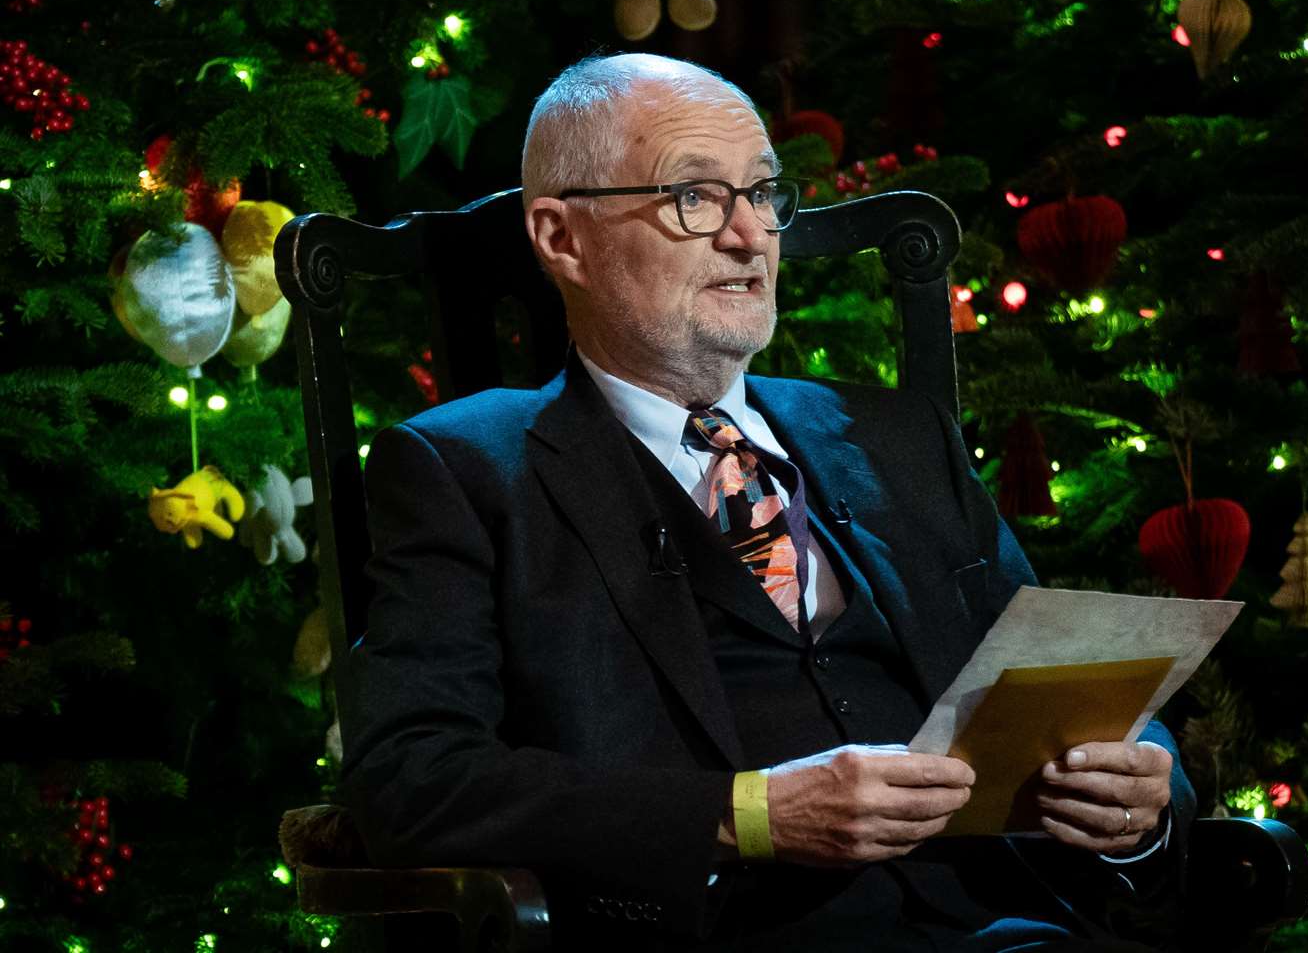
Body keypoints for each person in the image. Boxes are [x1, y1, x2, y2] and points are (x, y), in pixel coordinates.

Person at [341, 52, 1195, 951]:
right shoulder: (466, 468)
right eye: (695, 199)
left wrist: (1144, 796)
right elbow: (412, 779)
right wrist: (752, 814)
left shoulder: (895, 436)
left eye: (764, 194)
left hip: (1015, 923)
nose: (751, 236)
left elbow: (1068, 694)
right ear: (562, 239)